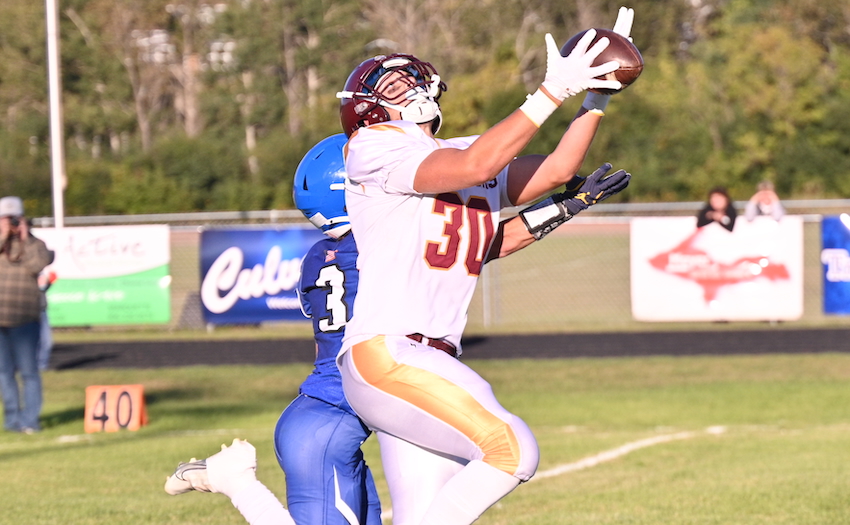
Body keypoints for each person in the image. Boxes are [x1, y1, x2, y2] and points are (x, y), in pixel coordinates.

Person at [334, 8, 634, 525]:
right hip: (389, 351)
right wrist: (551, 91)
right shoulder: (373, 148)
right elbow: (479, 166)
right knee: (511, 450)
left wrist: (597, 95)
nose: (412, 87)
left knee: (421, 513)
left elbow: (554, 172)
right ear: (368, 108)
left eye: (413, 79)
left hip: (426, 358)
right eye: (396, 84)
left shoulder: (462, 151)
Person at [0, 196, 53, 434]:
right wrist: (3, 235)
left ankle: (29, 420)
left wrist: (24, 238)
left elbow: (36, 265)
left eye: (14, 219)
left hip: (25, 320)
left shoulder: (36, 245)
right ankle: (12, 420)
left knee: (30, 372)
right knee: (4, 372)